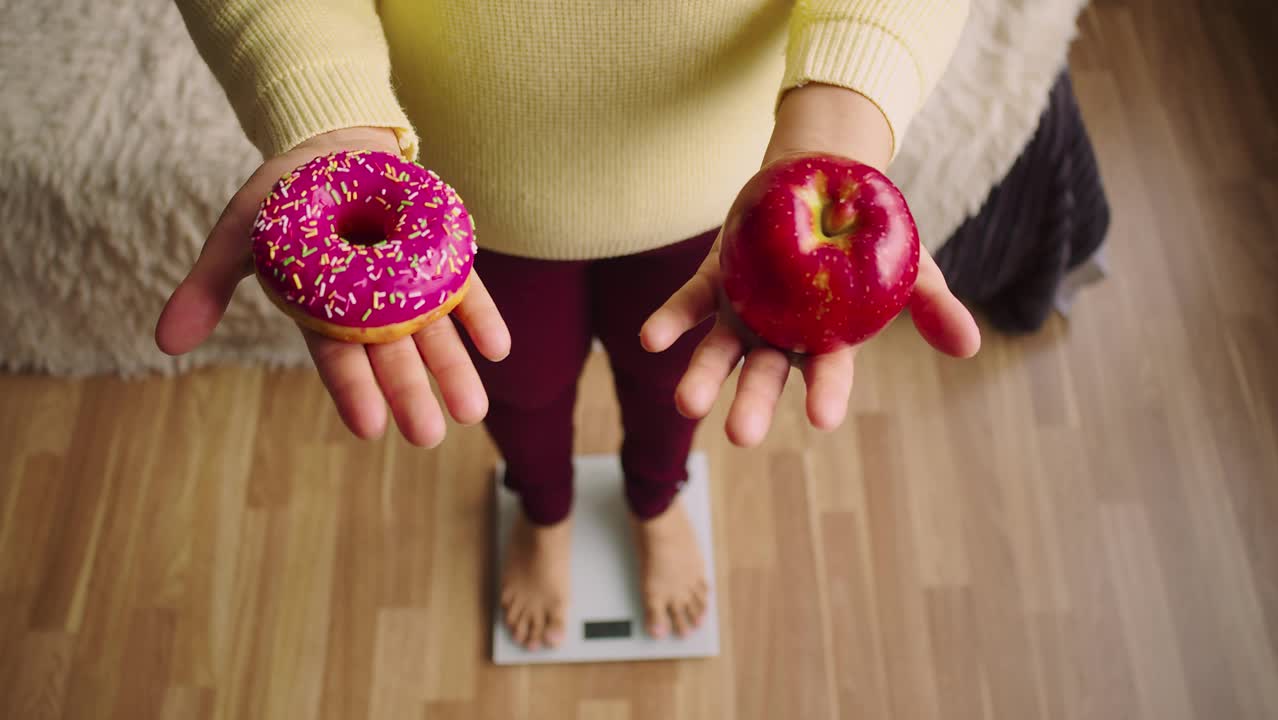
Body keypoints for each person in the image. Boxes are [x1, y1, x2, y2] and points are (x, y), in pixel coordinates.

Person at [157, 0, 982, 651]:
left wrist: (841, 109)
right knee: (516, 390)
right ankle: (543, 510)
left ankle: (655, 503)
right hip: (464, 199)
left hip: (731, 200)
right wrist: (321, 101)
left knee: (673, 386)